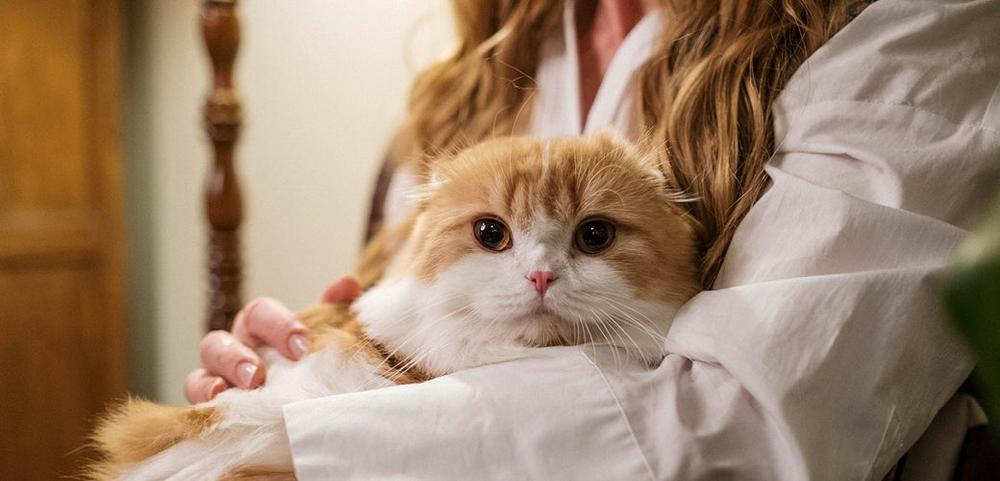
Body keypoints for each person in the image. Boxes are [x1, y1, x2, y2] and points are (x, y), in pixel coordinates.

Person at [186, 0, 1000, 479]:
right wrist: (290, 361)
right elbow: (400, 322)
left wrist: (293, 445)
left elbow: (752, 431)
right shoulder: (463, 83)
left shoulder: (902, 30)